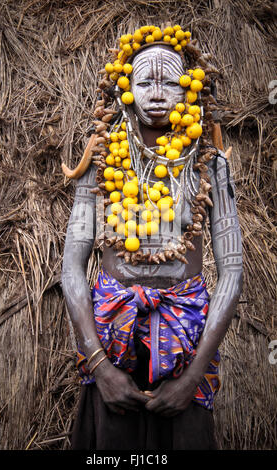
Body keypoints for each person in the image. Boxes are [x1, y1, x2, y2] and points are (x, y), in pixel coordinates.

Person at [61, 24, 243, 450]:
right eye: (144, 81)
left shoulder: (210, 166)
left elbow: (232, 274)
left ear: (191, 89)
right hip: (111, 337)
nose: (157, 93)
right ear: (126, 87)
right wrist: (100, 365)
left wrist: (194, 377)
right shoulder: (102, 158)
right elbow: (71, 266)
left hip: (186, 342)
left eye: (170, 81)